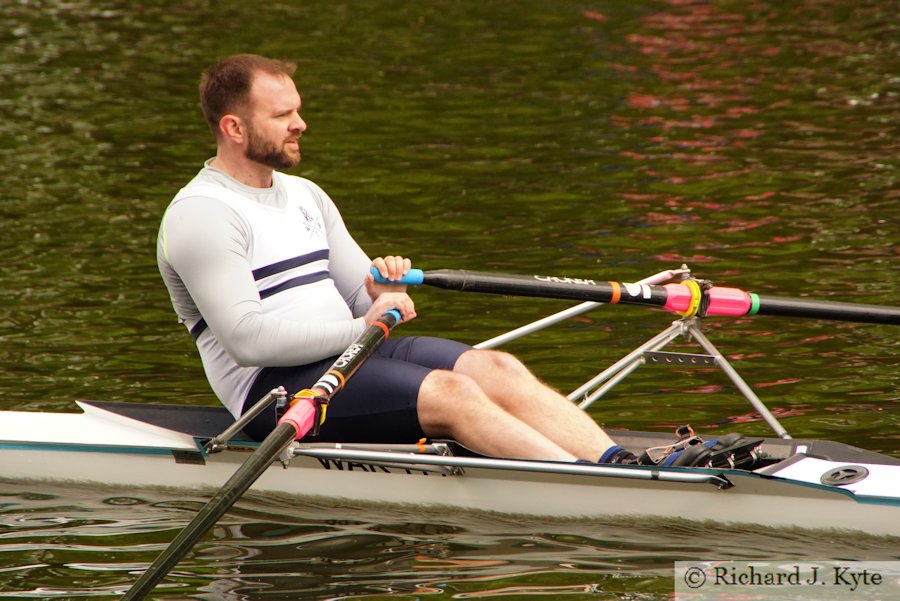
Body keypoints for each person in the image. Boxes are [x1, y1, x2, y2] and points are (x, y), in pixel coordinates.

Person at [157, 53, 642, 465]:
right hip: (273, 390)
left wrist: (384, 289)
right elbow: (249, 342)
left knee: (497, 369)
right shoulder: (202, 216)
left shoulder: (305, 194)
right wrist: (364, 323)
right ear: (234, 127)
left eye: (297, 110)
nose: (301, 124)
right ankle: (596, 485)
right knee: (455, 395)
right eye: (283, 115)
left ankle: (617, 463)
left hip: (349, 353)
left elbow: (363, 293)